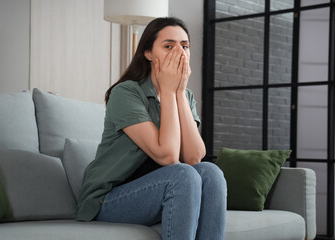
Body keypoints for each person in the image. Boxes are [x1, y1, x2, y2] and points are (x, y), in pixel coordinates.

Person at [77, 17, 227, 240]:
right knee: (182, 175)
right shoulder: (126, 93)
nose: (179, 53)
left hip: (159, 190)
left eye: (184, 46)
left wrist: (178, 94)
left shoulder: (186, 96)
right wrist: (168, 91)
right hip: (108, 199)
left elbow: (194, 156)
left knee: (211, 172)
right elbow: (168, 157)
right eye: (168, 46)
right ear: (148, 53)